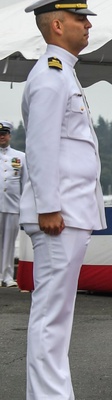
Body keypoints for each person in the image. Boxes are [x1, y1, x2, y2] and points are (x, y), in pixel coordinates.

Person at [20, 0, 106, 400]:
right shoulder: (51, 75)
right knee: (52, 308)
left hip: (69, 210)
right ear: (57, 25)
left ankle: (59, 395)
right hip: (57, 213)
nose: (88, 25)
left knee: (60, 307)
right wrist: (49, 206)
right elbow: (40, 148)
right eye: (80, 18)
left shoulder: (63, 72)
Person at [0, 120, 25, 287]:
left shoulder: (20, 157)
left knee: (9, 242)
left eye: (4, 134)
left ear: (9, 135)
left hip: (12, 206)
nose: (1, 137)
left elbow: (26, 183)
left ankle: (7, 276)